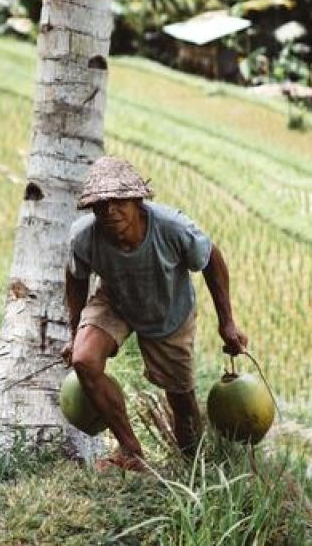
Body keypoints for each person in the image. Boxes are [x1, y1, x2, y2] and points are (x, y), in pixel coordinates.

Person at [61, 156, 248, 472]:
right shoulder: (84, 237)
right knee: (84, 360)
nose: (110, 211)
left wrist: (227, 322)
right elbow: (76, 277)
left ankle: (192, 469)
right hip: (115, 299)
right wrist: (73, 332)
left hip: (168, 309)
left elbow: (212, 259)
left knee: (182, 399)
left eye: (119, 202)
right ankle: (132, 452)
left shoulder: (172, 228)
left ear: (137, 201)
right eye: (100, 205)